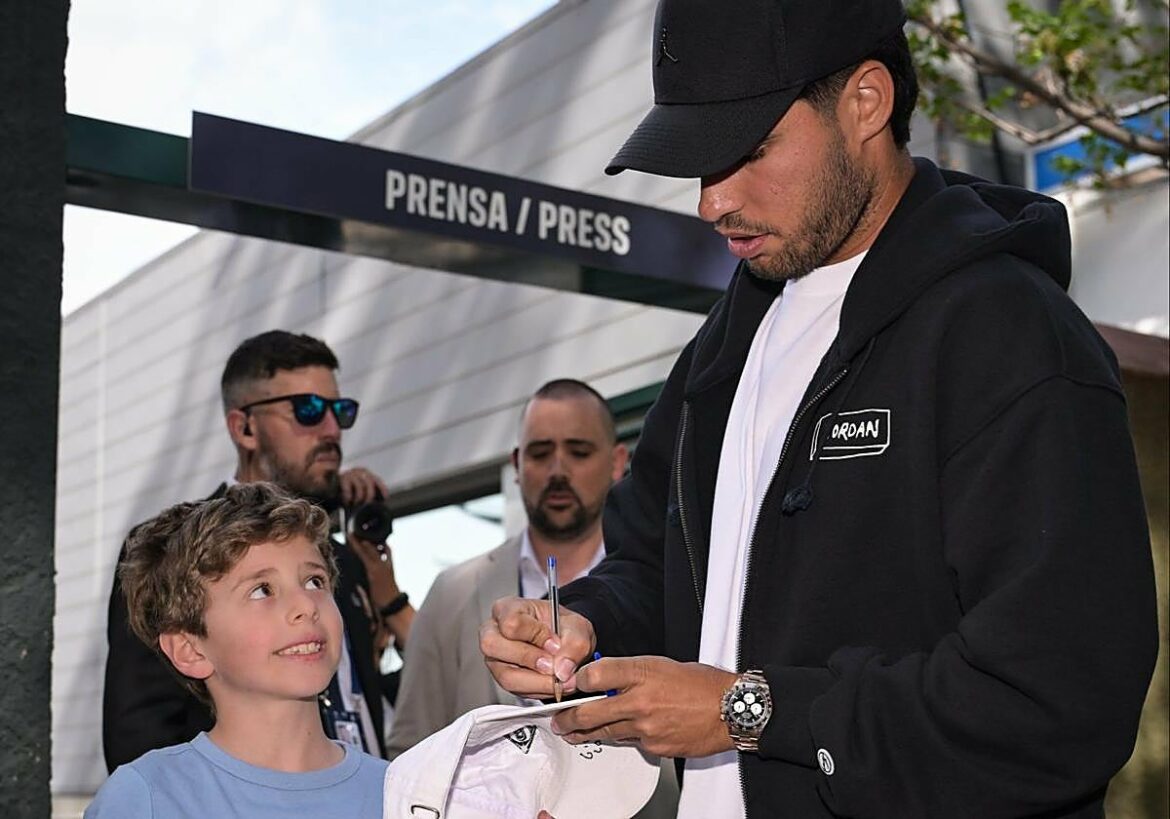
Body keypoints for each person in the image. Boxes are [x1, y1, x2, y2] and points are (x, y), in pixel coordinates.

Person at [479, 1, 1158, 817]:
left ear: (866, 102)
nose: (711, 201)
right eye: (697, 163)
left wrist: (749, 711)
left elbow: (1060, 700)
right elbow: (650, 569)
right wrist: (580, 625)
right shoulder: (728, 344)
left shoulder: (1009, 335)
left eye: (748, 149)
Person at [103, 330, 411, 769]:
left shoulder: (343, 560)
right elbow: (137, 734)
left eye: (339, 411)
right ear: (244, 427)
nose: (330, 430)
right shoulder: (169, 551)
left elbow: (365, 704)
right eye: (307, 410)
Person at [86, 483, 387, 818]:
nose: (305, 605)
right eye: (262, 590)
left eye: (315, 582)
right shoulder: (147, 800)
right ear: (190, 650)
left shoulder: (403, 794)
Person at [387, 379, 628, 757]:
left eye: (579, 452)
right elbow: (411, 749)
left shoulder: (661, 586)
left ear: (617, 462)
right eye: (540, 453)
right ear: (517, 464)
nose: (558, 471)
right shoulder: (453, 594)